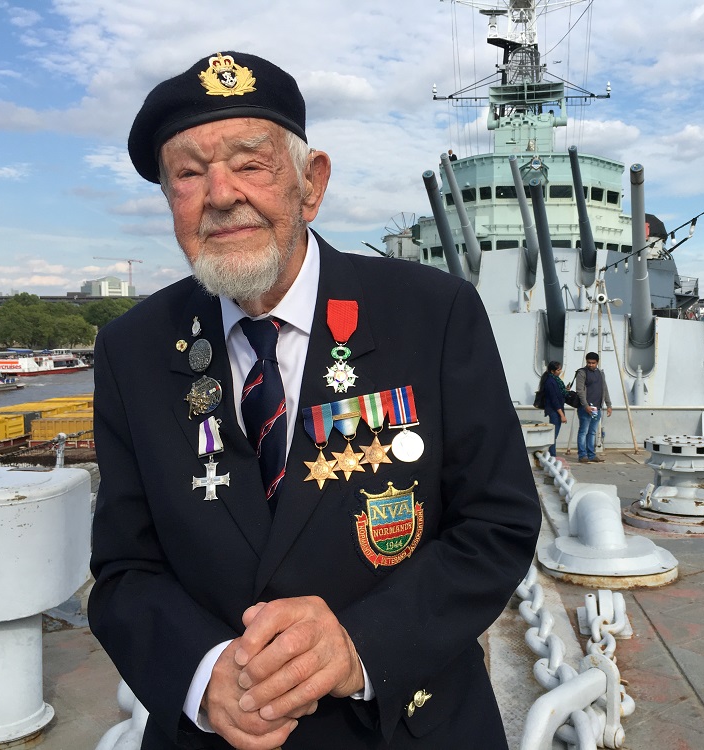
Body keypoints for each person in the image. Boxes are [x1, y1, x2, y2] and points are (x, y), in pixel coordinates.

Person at [88, 51, 540, 750]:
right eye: (188, 173)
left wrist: (361, 644)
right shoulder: (133, 349)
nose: (221, 194)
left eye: (251, 163)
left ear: (311, 183)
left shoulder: (431, 314)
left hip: (407, 726)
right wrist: (203, 675)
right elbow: (124, 570)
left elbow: (497, 523)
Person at [573, 352, 612, 463]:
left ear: (597, 362)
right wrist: (585, 405)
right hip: (585, 408)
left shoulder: (600, 373)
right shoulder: (582, 373)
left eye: (593, 363)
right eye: (589, 362)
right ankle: (582, 455)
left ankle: (591, 455)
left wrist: (609, 405)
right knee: (583, 431)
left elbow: (604, 389)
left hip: (596, 408)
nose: (590, 365)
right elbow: (580, 391)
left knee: (592, 432)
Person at [539, 360, 566, 457]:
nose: (560, 371)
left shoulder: (556, 380)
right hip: (555, 410)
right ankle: (552, 454)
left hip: (557, 410)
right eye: (558, 370)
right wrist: (562, 415)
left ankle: (552, 453)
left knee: (554, 434)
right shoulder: (550, 382)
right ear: (552, 371)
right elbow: (554, 400)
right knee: (553, 434)